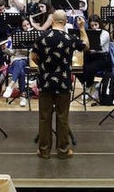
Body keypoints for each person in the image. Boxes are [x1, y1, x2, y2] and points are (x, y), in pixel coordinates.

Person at [31, 10, 88, 159]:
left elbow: (34, 57)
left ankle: (44, 151)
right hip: (63, 83)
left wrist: (43, 66)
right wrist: (81, 28)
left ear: (52, 20)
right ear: (65, 21)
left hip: (45, 82)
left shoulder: (42, 37)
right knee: (63, 117)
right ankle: (63, 151)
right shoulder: (69, 38)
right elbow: (86, 46)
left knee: (44, 117)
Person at [3, 17, 34, 107]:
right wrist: (5, 49)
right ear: (22, 27)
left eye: (28, 24)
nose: (26, 27)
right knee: (21, 70)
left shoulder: (35, 35)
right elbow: (12, 52)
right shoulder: (18, 36)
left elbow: (34, 51)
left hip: (29, 59)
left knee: (20, 65)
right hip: (17, 59)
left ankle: (11, 85)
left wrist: (24, 47)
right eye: (24, 26)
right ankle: (23, 97)